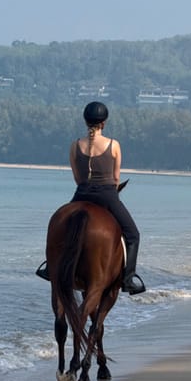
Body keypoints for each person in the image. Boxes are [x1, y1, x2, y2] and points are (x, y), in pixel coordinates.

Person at [37, 101, 146, 295]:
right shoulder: (114, 145)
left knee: (60, 229)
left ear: (85, 121)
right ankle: (129, 278)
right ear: (104, 123)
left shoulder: (74, 146)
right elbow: (115, 178)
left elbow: (78, 178)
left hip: (81, 194)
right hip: (108, 196)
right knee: (133, 235)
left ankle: (49, 268)